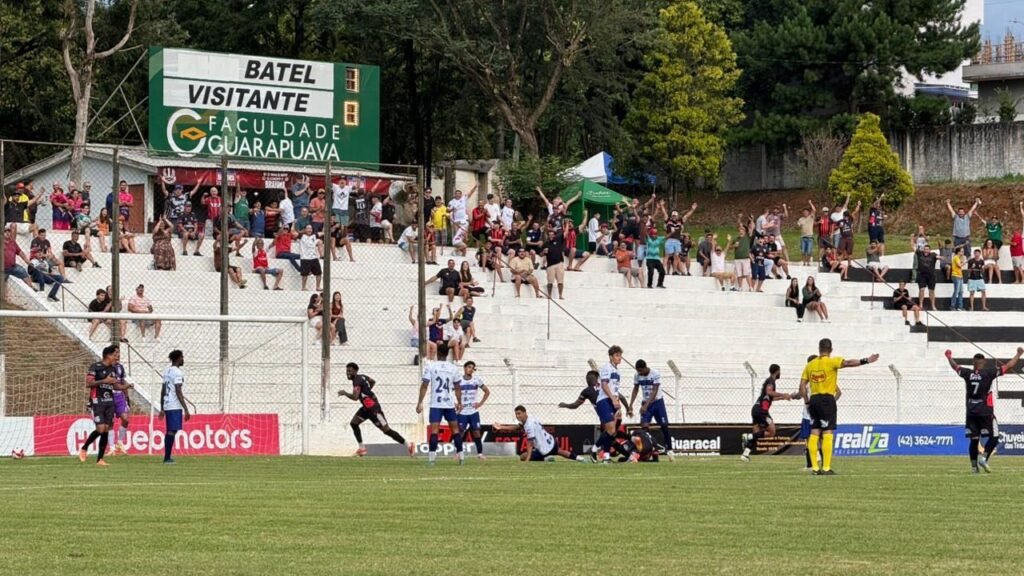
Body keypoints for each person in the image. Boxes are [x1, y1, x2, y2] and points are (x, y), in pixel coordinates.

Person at [799, 338, 879, 475]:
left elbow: (801, 385)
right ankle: (826, 468)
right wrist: (866, 360)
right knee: (827, 432)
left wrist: (807, 401)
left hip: (814, 400)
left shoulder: (810, 365)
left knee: (814, 432)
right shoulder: (832, 361)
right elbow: (848, 363)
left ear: (819, 349)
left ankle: (815, 468)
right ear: (831, 349)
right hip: (826, 399)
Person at [946, 347, 1022, 473]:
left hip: (971, 412)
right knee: (995, 436)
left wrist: (949, 356)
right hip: (985, 411)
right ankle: (984, 458)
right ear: (984, 362)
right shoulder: (988, 373)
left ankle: (974, 468)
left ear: (973, 362)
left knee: (974, 440)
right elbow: (1008, 366)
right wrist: (1019, 354)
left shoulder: (967, 373)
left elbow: (955, 366)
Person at [339, 362, 415, 457]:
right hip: (366, 408)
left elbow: (355, 397)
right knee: (354, 423)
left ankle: (409, 445)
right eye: (347, 371)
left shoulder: (357, 381)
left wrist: (345, 393)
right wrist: (367, 391)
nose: (348, 373)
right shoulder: (362, 377)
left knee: (387, 430)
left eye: (350, 371)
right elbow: (372, 381)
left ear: (355, 371)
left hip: (374, 409)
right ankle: (362, 448)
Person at [77, 345, 132, 466]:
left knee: (106, 429)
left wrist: (125, 387)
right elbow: (88, 383)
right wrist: (104, 381)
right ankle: (84, 448)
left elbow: (115, 386)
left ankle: (100, 459)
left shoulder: (113, 369)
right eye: (115, 354)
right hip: (97, 401)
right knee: (100, 429)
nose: (117, 356)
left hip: (110, 402)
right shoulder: (95, 367)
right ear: (108, 355)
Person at [492, 405, 588, 462]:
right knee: (560, 451)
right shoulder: (531, 418)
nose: (517, 416)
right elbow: (517, 427)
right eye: (516, 414)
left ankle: (546, 458)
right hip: (552, 441)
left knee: (522, 456)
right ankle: (579, 458)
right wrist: (501, 427)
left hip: (545, 449)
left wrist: (527, 459)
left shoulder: (529, 425)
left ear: (525, 413)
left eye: (519, 413)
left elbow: (530, 443)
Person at [741, 364, 796, 462]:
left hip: (756, 409)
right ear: (777, 371)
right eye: (780, 371)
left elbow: (770, 397)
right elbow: (769, 392)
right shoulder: (771, 381)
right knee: (772, 431)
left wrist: (784, 397)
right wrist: (783, 394)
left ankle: (745, 454)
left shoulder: (769, 381)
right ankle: (748, 436)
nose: (780, 373)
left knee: (757, 434)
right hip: (761, 410)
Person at [416, 359, 464, 466]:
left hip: (436, 404)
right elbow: (457, 387)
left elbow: (425, 385)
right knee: (455, 430)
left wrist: (420, 402)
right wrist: (460, 402)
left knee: (434, 431)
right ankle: (461, 458)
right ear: (447, 353)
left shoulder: (431, 366)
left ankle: (431, 460)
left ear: (438, 352)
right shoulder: (453, 368)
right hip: (449, 404)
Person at [627, 359, 675, 462]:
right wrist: (630, 405)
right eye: (638, 371)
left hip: (657, 403)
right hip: (645, 403)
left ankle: (670, 450)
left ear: (645, 367)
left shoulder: (655, 373)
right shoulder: (637, 375)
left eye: (641, 371)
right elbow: (635, 389)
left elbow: (655, 390)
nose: (639, 373)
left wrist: (646, 405)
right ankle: (650, 452)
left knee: (664, 426)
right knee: (644, 428)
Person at [158, 350, 190, 464]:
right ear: (177, 358)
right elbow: (178, 390)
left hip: (168, 403)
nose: (183, 359)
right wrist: (186, 409)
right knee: (171, 431)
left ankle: (167, 457)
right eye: (182, 357)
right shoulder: (177, 372)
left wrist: (162, 407)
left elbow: (163, 390)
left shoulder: (167, 371)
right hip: (174, 404)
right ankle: (167, 458)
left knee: (172, 430)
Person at [456, 361, 490, 460]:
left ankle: (480, 454)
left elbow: (487, 391)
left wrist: (480, 403)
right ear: (464, 368)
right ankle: (458, 453)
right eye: (469, 367)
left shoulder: (476, 380)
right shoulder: (458, 380)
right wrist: (456, 404)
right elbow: (449, 392)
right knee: (461, 432)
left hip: (473, 411)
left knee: (476, 432)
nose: (471, 369)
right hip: (462, 412)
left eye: (473, 368)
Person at [540, 228, 566, 300]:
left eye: (552, 234)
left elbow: (564, 233)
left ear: (554, 235)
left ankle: (560, 295)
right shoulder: (546, 244)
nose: (551, 236)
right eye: (549, 235)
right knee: (550, 282)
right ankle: (549, 295)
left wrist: (566, 224)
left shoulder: (558, 240)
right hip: (550, 265)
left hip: (559, 263)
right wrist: (544, 252)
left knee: (560, 281)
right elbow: (541, 254)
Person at [298, 225, 323, 291]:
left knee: (319, 273)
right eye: (308, 228)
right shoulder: (302, 236)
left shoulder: (314, 236)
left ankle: (318, 287)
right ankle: (303, 287)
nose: (309, 230)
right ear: (305, 229)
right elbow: (295, 233)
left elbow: (323, 233)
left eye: (310, 228)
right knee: (305, 274)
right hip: (305, 258)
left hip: (314, 257)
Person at [916, 244, 938, 311]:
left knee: (931, 291)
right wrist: (912, 240)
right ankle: (921, 305)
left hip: (931, 276)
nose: (926, 250)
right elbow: (914, 248)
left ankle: (933, 305)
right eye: (925, 249)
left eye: (927, 249)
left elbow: (937, 256)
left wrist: (941, 257)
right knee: (921, 289)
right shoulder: (920, 253)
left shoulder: (933, 254)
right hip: (922, 275)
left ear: (930, 250)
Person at [950, 246, 965, 312]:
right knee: (956, 291)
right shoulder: (956, 257)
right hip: (956, 276)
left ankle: (960, 307)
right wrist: (966, 261)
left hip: (960, 276)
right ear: (958, 252)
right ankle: (952, 306)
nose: (963, 252)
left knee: (961, 292)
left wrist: (962, 260)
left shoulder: (958, 258)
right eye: (961, 251)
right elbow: (959, 265)